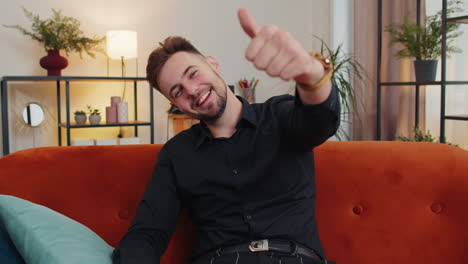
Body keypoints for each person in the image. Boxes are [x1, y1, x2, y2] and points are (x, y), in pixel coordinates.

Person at [113, 8, 340, 264]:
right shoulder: (176, 154)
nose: (192, 90)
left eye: (193, 73)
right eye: (177, 91)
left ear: (213, 64)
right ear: (175, 104)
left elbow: (320, 121)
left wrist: (312, 77)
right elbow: (148, 233)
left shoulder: (279, 115)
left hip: (294, 257)